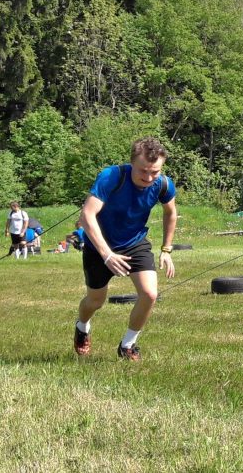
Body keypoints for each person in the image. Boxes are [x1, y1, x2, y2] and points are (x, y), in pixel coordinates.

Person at [73, 137, 178, 361]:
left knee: (150, 294)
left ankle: (128, 345)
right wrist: (107, 254)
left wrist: (166, 249)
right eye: (143, 171)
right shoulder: (111, 176)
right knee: (95, 301)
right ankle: (82, 326)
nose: (149, 178)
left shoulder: (164, 184)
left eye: (155, 172)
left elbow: (171, 213)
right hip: (99, 244)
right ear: (132, 163)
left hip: (134, 242)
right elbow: (87, 215)